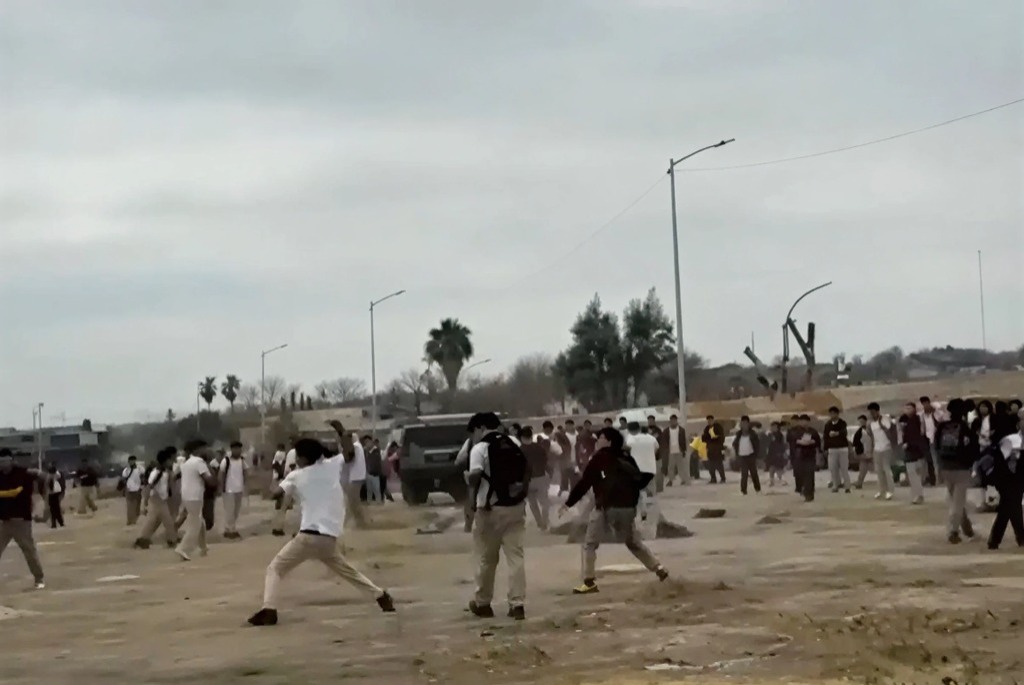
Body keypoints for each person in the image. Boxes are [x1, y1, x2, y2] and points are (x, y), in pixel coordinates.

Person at [248, 436, 395, 626]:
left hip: (309, 535)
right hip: (328, 537)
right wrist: (341, 431)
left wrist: (272, 473)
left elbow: (272, 494)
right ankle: (380, 595)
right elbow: (349, 453)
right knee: (347, 571)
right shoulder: (332, 465)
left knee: (275, 569)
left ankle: (269, 609)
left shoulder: (297, 475)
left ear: (303, 458)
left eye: (298, 456)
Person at [562, 427, 668, 595]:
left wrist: (568, 503)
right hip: (628, 509)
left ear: (609, 441)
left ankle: (589, 582)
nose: (597, 441)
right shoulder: (627, 457)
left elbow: (585, 483)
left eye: (601, 438)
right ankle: (659, 569)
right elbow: (637, 481)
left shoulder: (599, 458)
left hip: (606, 508)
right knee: (633, 543)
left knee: (590, 544)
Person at [465, 412, 529, 621]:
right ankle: (517, 604)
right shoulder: (513, 442)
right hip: (515, 507)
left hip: (490, 509)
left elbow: (475, 475)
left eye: (473, 432)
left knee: (487, 558)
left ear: (480, 428)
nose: (473, 437)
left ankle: (483, 603)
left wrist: (470, 494)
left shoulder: (480, 448)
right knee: (516, 557)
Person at [0, 449, 46, 589]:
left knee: (29, 551)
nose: (2, 464)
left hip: (21, 521)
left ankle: (39, 578)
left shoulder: (23, 473)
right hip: (4, 522)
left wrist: (45, 505)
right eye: (0, 461)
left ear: (11, 460)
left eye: (4, 460)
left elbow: (44, 478)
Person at [975, 419, 1023, 550]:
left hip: (1017, 478)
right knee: (1010, 507)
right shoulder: (1010, 440)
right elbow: (1001, 460)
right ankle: (1008, 538)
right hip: (1007, 478)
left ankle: (1000, 539)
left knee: (1009, 508)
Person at [935, 399, 977, 544]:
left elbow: (936, 446)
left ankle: (967, 529)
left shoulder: (942, 426)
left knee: (956, 500)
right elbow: (974, 449)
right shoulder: (966, 428)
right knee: (958, 503)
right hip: (962, 468)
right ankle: (953, 531)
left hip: (946, 467)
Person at [175, 439, 217, 561]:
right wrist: (213, 473)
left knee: (199, 520)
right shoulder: (199, 462)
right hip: (195, 496)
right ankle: (183, 548)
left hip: (187, 495)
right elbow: (209, 481)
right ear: (198, 449)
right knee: (195, 524)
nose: (206, 451)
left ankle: (203, 546)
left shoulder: (187, 462)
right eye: (204, 448)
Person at [134, 448, 179, 549]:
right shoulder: (157, 473)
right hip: (157, 500)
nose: (171, 462)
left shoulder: (165, 472)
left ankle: (143, 539)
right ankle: (171, 541)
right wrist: (145, 502)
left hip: (161, 500)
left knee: (154, 522)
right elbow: (149, 487)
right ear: (165, 461)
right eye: (170, 460)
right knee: (167, 521)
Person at [518, 427, 551, 530]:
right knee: (545, 502)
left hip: (527, 480)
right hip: (540, 477)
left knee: (532, 503)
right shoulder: (539, 448)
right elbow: (546, 461)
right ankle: (545, 521)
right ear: (531, 436)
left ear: (521, 438)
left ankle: (539, 522)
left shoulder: (519, 450)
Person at [625, 422, 659, 520]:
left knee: (639, 492)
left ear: (629, 430)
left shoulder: (630, 439)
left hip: (637, 469)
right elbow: (656, 449)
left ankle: (643, 513)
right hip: (651, 469)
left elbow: (626, 452)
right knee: (651, 492)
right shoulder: (651, 438)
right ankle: (655, 514)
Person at [899, 402, 929, 504]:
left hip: (913, 450)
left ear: (914, 409)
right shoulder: (908, 420)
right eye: (906, 408)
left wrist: (908, 444)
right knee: (914, 474)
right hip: (915, 450)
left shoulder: (914, 420)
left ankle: (918, 495)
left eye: (909, 408)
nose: (907, 410)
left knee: (913, 474)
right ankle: (917, 494)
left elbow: (915, 436)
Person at [867, 403, 897, 500]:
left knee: (886, 469)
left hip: (886, 447)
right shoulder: (871, 423)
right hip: (877, 448)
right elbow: (872, 436)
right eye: (870, 412)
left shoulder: (885, 419)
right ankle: (881, 490)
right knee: (878, 471)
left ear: (877, 411)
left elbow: (889, 432)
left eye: (873, 412)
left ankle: (890, 490)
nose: (871, 414)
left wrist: (881, 424)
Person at [220, 441, 249, 539]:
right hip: (228, 489)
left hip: (239, 489)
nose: (237, 451)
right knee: (230, 511)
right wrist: (221, 487)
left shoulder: (242, 460)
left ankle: (229, 529)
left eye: (239, 449)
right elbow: (221, 474)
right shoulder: (226, 461)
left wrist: (245, 485)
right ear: (232, 449)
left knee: (236, 511)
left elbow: (245, 472)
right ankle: (231, 529)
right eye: (235, 448)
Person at [792, 415, 821, 502]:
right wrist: (799, 442)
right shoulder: (795, 431)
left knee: (809, 474)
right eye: (802, 421)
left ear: (808, 422)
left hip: (810, 455)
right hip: (799, 455)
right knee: (800, 474)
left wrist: (812, 442)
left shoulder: (813, 431)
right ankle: (802, 489)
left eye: (806, 421)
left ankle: (809, 494)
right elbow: (792, 441)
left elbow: (818, 442)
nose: (804, 423)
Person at [822, 407, 851, 494]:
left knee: (844, 468)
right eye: (831, 414)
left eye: (834, 413)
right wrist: (825, 448)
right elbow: (825, 437)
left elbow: (844, 432)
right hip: (832, 449)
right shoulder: (828, 425)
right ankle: (835, 485)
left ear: (837, 414)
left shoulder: (842, 423)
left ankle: (847, 486)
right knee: (833, 468)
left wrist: (836, 433)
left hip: (842, 448)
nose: (832, 415)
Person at [732, 416, 761, 495]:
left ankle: (757, 488)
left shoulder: (753, 434)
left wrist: (757, 455)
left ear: (748, 424)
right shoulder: (739, 434)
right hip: (742, 456)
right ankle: (743, 490)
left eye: (745, 423)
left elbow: (757, 445)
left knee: (753, 473)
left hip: (751, 456)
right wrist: (737, 453)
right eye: (742, 423)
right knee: (744, 474)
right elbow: (735, 443)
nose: (744, 425)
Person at [660, 414, 688, 487]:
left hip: (679, 450)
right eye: (672, 420)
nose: (673, 422)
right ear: (670, 421)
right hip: (670, 451)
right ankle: (670, 480)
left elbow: (684, 441)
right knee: (670, 467)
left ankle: (683, 479)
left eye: (674, 420)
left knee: (681, 466)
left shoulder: (681, 430)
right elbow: (664, 441)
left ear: (676, 421)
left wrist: (684, 450)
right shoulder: (666, 431)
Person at [919, 396, 942, 485]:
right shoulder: (922, 415)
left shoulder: (937, 413)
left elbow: (940, 424)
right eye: (923, 404)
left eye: (926, 403)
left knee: (936, 460)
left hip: (936, 439)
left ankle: (938, 479)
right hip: (927, 440)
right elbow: (922, 428)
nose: (925, 405)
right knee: (929, 460)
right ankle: (932, 478)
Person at [117, 455, 144, 525]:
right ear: (128, 462)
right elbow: (123, 480)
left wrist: (142, 485)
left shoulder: (140, 469)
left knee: (137, 506)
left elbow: (143, 477)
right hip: (129, 490)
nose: (132, 462)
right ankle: (130, 520)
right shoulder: (126, 470)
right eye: (131, 461)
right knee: (129, 506)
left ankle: (134, 519)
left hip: (138, 489)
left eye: (133, 460)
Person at [702, 415, 726, 484]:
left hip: (717, 449)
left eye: (710, 420)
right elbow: (704, 438)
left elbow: (722, 437)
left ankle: (723, 478)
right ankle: (713, 478)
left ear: (713, 420)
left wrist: (716, 439)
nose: (709, 421)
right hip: (710, 449)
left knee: (719, 464)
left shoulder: (718, 427)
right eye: (708, 420)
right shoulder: (707, 428)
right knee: (711, 465)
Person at [852, 415, 874, 490]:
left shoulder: (870, 430)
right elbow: (855, 442)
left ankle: (859, 482)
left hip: (871, 451)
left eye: (862, 421)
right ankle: (859, 482)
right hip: (864, 452)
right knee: (863, 468)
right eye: (860, 421)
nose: (861, 423)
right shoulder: (860, 431)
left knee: (877, 467)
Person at [362, 436, 384, 504]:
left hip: (375, 474)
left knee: (376, 490)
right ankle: (369, 503)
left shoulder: (377, 451)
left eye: (368, 442)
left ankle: (379, 503)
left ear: (371, 442)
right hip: (368, 473)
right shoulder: (365, 452)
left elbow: (379, 462)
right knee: (369, 490)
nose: (367, 444)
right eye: (365, 442)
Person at [765, 422, 787, 487]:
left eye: (774, 427)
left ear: (777, 428)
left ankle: (781, 480)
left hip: (777, 454)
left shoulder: (779, 435)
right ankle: (772, 481)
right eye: (772, 426)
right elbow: (769, 444)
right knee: (771, 467)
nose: (772, 428)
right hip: (771, 453)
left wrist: (781, 452)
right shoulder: (770, 434)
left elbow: (781, 444)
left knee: (778, 468)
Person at [43, 464, 66, 528]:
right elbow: (58, 474)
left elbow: (46, 484)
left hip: (51, 494)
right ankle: (61, 523)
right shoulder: (57, 475)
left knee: (52, 510)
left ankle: (54, 524)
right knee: (57, 509)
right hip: (56, 493)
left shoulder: (49, 476)